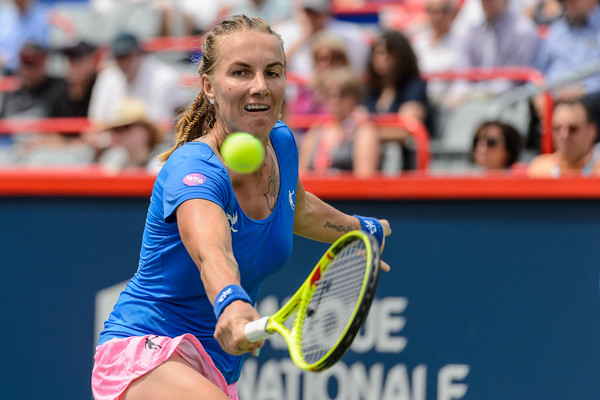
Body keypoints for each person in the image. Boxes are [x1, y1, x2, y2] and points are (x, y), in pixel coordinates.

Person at [91, 15, 391, 400]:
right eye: (241, 72)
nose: (260, 87)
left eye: (273, 72)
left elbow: (298, 210)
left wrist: (359, 230)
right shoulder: (193, 168)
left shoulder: (281, 142)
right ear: (209, 86)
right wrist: (231, 302)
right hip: (147, 350)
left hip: (216, 367)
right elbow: (211, 251)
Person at [88, 31, 188, 128]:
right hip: (113, 141)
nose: (123, 62)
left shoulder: (164, 77)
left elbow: (166, 124)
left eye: (127, 56)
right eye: (119, 57)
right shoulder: (107, 78)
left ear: (139, 54)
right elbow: (96, 123)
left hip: (162, 143)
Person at [363, 30, 429, 170]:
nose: (380, 57)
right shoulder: (370, 89)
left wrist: (368, 134)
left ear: (400, 56)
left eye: (387, 52)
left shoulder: (414, 87)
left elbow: (407, 129)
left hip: (403, 162)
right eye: (376, 52)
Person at [298, 66, 379, 176]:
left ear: (355, 96)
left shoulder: (364, 131)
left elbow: (364, 180)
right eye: (330, 94)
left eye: (343, 93)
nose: (335, 99)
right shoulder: (316, 131)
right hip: (314, 192)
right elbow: (301, 176)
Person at [273, 0, 370, 82]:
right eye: (308, 12)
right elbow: (275, 68)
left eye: (316, 13)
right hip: (295, 94)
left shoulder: (349, 34)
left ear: (326, 13)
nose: (311, 18)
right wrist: (304, 37)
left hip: (333, 91)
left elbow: (356, 71)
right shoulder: (283, 32)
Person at [527, 98, 600, 177]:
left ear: (592, 131)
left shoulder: (597, 171)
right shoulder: (539, 169)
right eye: (557, 128)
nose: (564, 136)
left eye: (572, 129)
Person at [96, 98, 164, 173]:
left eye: (126, 127)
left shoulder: (159, 164)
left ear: (145, 130)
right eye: (116, 129)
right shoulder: (113, 161)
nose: (120, 133)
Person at [0, 0, 50, 75]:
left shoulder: (42, 18)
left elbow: (42, 50)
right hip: (5, 71)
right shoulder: (3, 16)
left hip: (30, 73)